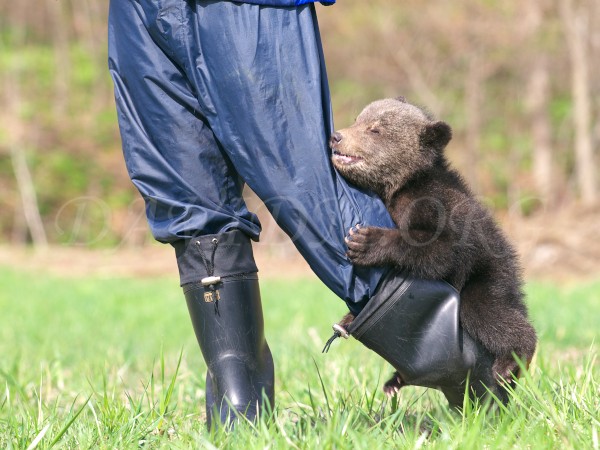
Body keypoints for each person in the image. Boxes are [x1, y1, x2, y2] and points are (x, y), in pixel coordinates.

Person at [108, 0, 487, 428]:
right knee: (185, 199)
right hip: (136, 9)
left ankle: (475, 370)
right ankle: (239, 410)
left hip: (250, 9)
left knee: (306, 181)